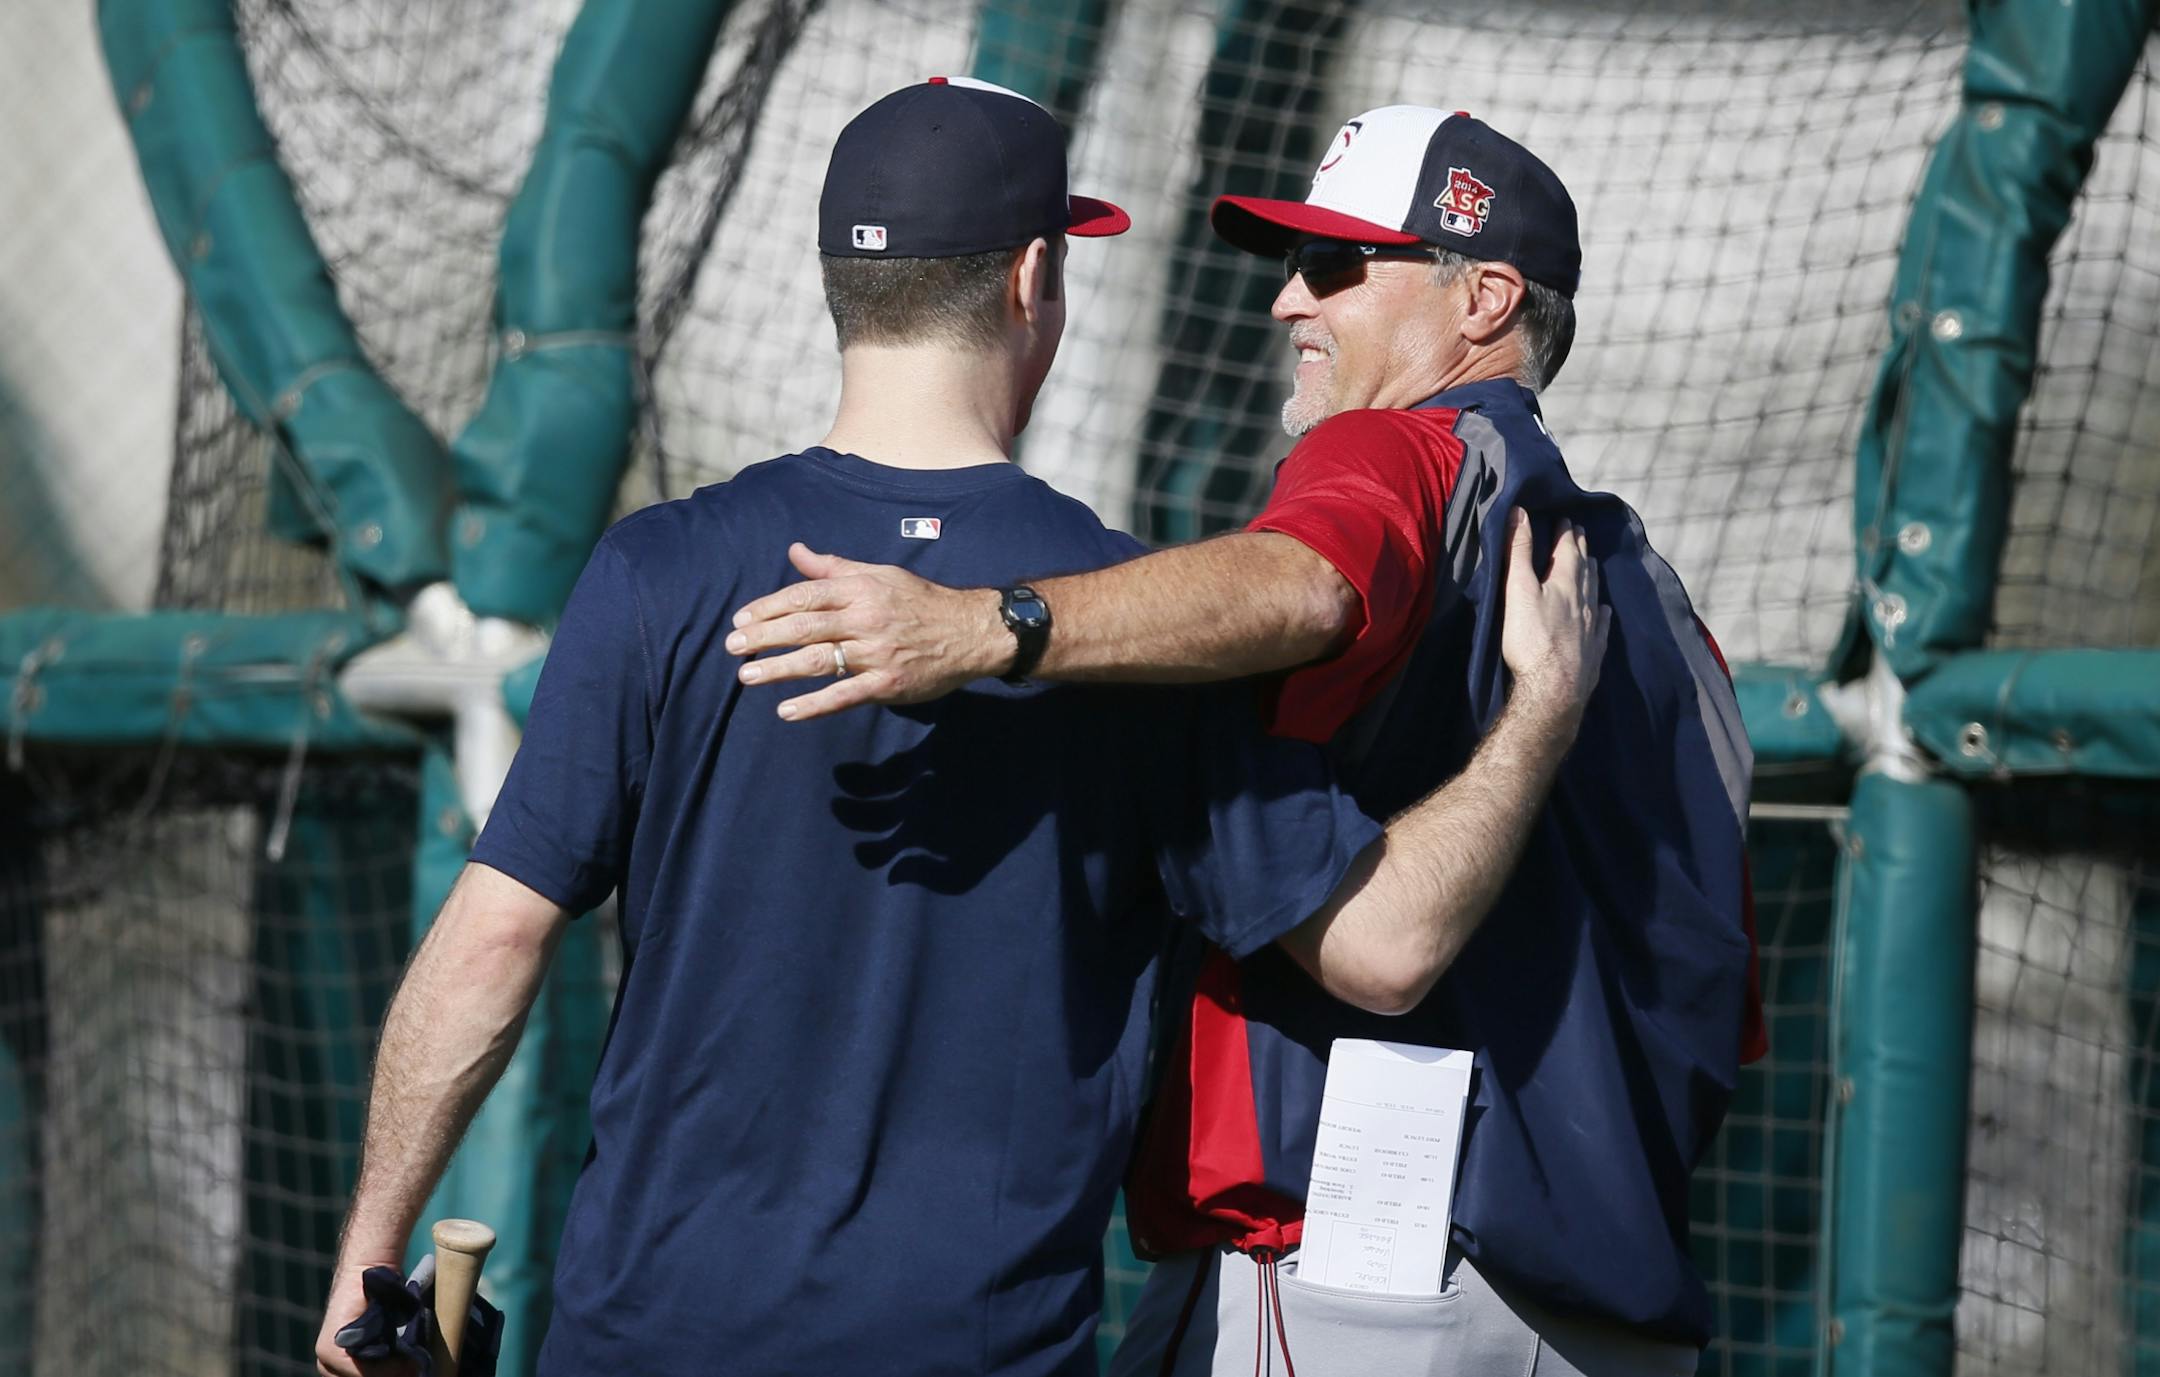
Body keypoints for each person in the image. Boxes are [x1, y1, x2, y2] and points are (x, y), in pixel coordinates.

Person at [313, 85, 1609, 1377]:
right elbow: (1387, 949)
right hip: (967, 1346)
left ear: (842, 287)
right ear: (1035, 279)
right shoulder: (1138, 627)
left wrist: (368, 1262)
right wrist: (1540, 715)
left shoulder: (661, 570)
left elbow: (491, 941)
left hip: (649, 1331)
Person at [726, 106, 1764, 1374]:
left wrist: (993, 625)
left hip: (1373, 1277)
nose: (1286, 303)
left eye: (1335, 266)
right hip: (1597, 1309)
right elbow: (1720, 998)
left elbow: (1304, 587)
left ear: (1485, 297)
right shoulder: (1647, 592)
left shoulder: (1395, 447)